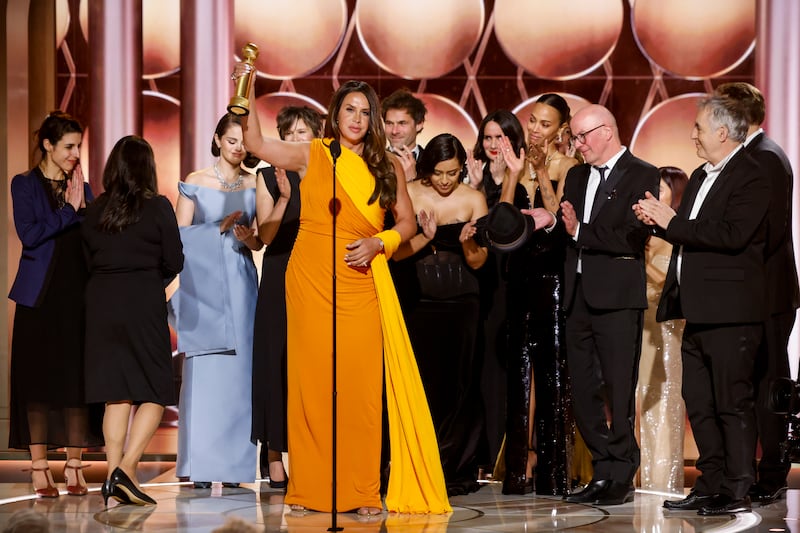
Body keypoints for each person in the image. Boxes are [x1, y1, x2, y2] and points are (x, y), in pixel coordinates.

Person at [235, 60, 450, 515]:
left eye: (364, 111)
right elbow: (253, 142)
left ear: (372, 119)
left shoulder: (388, 163)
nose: (356, 119)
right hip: (309, 278)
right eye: (349, 110)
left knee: (360, 390)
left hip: (360, 282)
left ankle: (360, 491)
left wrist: (380, 240)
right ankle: (309, 490)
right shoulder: (313, 153)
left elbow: (407, 223)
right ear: (335, 115)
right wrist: (246, 84)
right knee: (312, 388)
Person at [635, 95, 770, 515]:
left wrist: (670, 221)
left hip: (732, 309)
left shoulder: (753, 174)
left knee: (731, 400)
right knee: (699, 399)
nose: (692, 134)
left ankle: (737, 486)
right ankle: (709, 482)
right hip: (695, 306)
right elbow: (690, 234)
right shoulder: (698, 175)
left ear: (723, 133)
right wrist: (662, 225)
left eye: (698, 127)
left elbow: (732, 234)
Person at [549, 104, 659, 506]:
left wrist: (581, 230)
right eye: (573, 138)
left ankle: (620, 472)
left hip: (616, 298)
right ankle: (600, 467)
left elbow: (631, 238)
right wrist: (553, 223)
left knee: (619, 385)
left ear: (607, 131)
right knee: (582, 390)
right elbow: (570, 229)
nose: (577, 146)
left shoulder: (643, 173)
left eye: (582, 137)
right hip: (577, 296)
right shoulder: (576, 176)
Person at [82, 135, 184, 506]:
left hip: (101, 303)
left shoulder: (94, 210)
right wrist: (148, 278)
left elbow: (86, 260)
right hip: (142, 300)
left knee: (116, 392)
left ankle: (113, 477)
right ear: (148, 168)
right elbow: (175, 260)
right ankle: (126, 469)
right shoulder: (157, 207)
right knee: (155, 390)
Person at [8, 111, 103, 498]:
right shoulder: (25, 184)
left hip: (78, 295)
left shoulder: (83, 185)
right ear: (48, 145)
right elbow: (30, 235)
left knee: (76, 381)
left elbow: (94, 235)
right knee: (38, 383)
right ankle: (39, 467)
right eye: (69, 146)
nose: (75, 153)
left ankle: (76, 467)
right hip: (39, 298)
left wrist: (86, 207)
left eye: (78, 146)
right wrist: (69, 210)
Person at [715, 82, 799, 506]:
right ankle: (754, 469)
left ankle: (772, 473)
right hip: (759, 291)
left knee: (769, 385)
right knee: (755, 382)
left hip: (768, 292)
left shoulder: (763, 159)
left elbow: (762, 233)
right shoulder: (757, 155)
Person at [492, 94, 579, 496]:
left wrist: (542, 173)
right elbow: (503, 223)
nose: (535, 129)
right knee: (517, 376)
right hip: (518, 278)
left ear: (561, 130)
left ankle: (552, 471)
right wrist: (512, 173)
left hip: (552, 280)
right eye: (532, 120)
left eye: (545, 124)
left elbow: (560, 223)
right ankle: (516, 470)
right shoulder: (518, 162)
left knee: (551, 374)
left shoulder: (569, 167)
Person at [392, 133, 489, 495]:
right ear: (425, 168)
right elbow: (396, 254)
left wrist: (466, 242)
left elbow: (480, 262)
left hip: (463, 303)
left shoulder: (474, 199)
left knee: (458, 387)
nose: (446, 180)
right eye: (439, 173)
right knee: (420, 385)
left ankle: (451, 469)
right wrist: (425, 237)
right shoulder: (411, 193)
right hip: (417, 301)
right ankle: (415, 465)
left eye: (453, 172)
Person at [173, 113, 261, 488]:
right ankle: (200, 466)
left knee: (240, 376)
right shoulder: (196, 181)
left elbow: (261, 239)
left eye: (244, 142)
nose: (238, 148)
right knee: (204, 373)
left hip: (241, 281)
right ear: (217, 139)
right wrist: (217, 229)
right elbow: (178, 240)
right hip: (203, 282)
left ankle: (235, 467)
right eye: (231, 141)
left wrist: (248, 239)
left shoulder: (257, 183)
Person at [252, 105, 323, 488]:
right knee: (275, 362)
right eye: (290, 133)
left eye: (304, 133)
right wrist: (282, 198)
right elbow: (264, 236)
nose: (297, 140)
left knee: (310, 364)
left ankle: (313, 451)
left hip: (317, 276)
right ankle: (274, 455)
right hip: (280, 271)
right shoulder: (267, 175)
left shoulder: (326, 173)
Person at [635, 166, 688, 494]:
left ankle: (663, 480)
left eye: (661, 187)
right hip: (640, 324)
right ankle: (637, 475)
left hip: (669, 327)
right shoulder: (640, 234)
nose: (652, 192)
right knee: (639, 400)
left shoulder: (680, 236)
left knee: (666, 399)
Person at [381, 88, 427, 181]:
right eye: (389, 123)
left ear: (419, 124)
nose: (394, 131)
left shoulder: (434, 163)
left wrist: (412, 182)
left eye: (402, 123)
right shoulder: (373, 162)